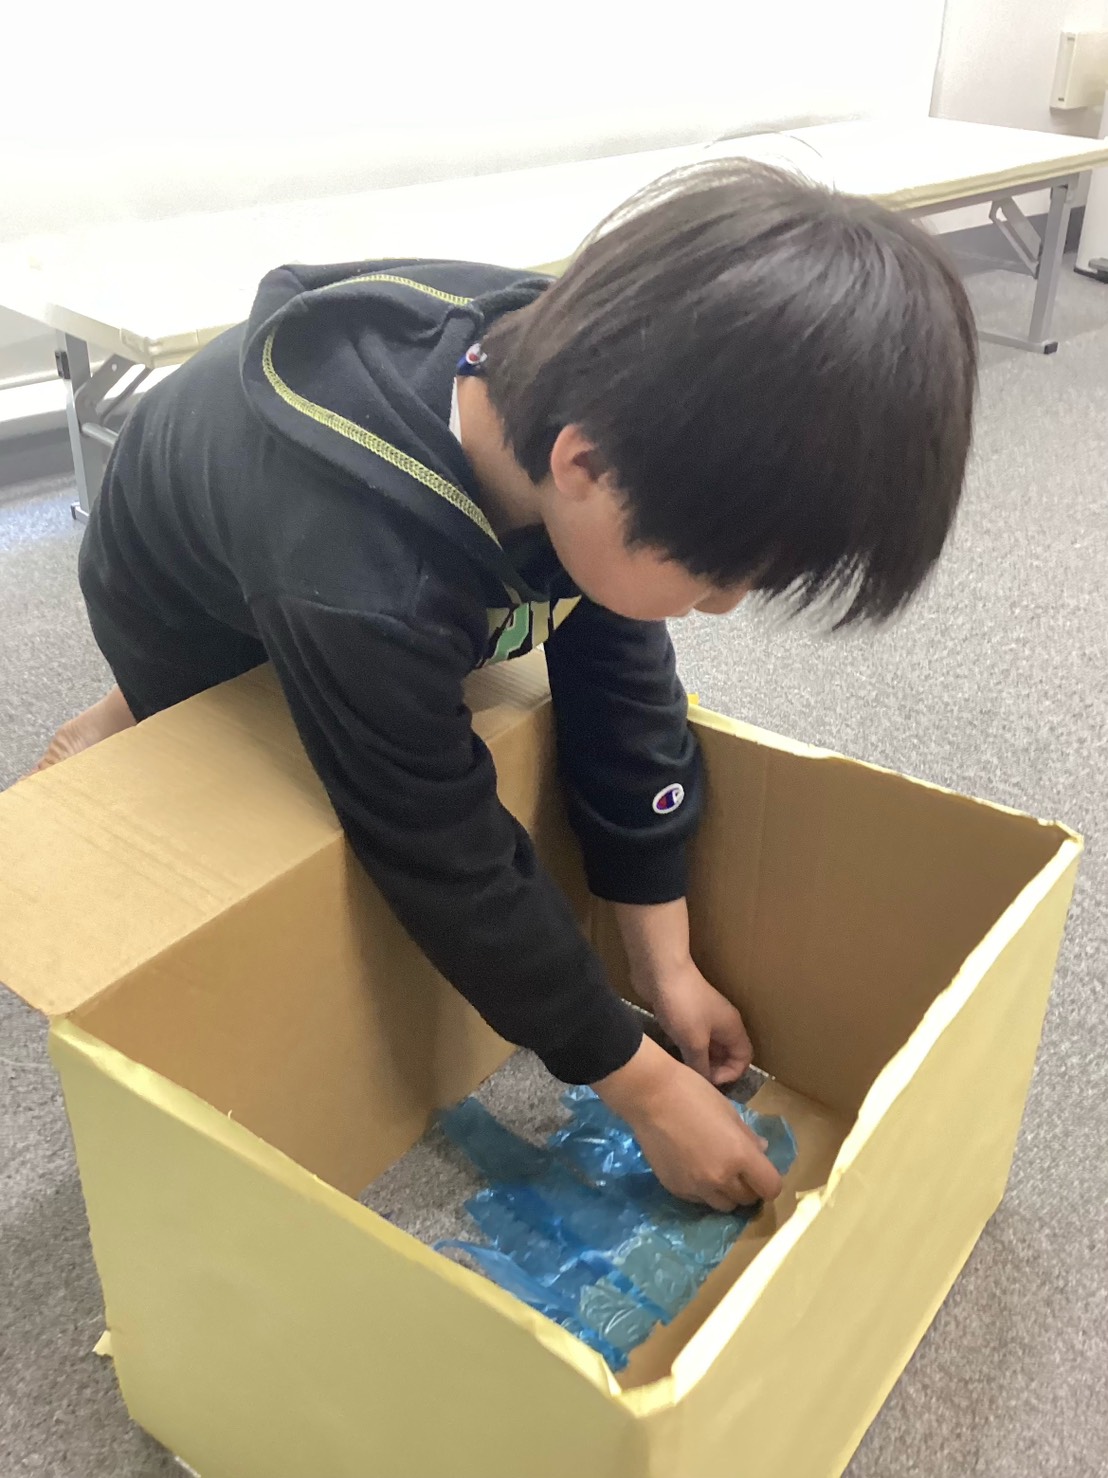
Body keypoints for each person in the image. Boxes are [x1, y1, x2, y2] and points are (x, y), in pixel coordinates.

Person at [34, 159, 977, 1212]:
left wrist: (662, 961)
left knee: (519, 635)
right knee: (297, 771)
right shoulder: (365, 585)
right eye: (714, 576)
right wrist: (638, 1082)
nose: (719, 608)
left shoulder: (593, 384)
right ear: (582, 469)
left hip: (344, 573)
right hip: (190, 602)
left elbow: (620, 676)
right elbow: (439, 845)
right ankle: (129, 711)